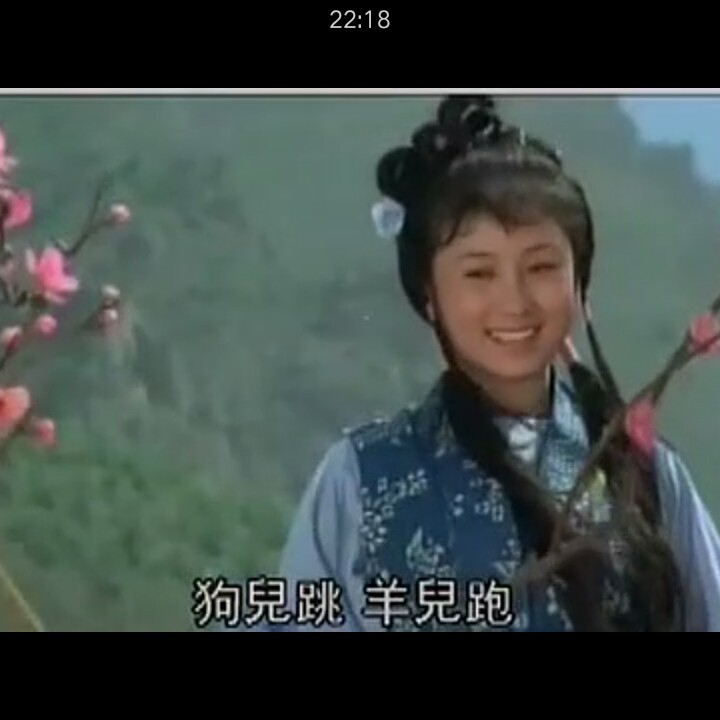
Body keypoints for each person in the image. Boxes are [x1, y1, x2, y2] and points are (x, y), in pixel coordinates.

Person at [264, 95, 720, 632]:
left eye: (541, 267)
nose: (514, 301)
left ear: (579, 285)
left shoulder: (647, 476)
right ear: (429, 295)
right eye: (479, 273)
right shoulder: (361, 476)